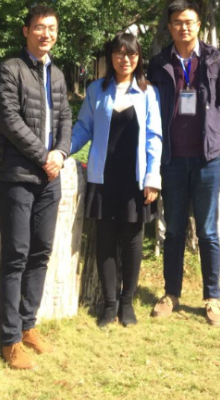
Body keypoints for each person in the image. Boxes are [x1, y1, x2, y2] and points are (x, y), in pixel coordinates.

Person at [0, 5, 72, 370]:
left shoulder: (57, 74)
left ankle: (28, 326)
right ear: (26, 31)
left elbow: (66, 116)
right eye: (39, 27)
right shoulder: (10, 69)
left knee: (40, 252)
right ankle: (9, 339)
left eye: (51, 28)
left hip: (49, 178)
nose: (46, 34)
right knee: (16, 255)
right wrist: (44, 156)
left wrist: (61, 153)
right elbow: (9, 120)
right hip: (18, 177)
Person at [147, 0, 220, 328]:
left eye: (189, 22)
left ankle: (212, 297)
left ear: (199, 25)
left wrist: (210, 131)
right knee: (174, 230)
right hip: (172, 159)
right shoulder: (159, 63)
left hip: (206, 160)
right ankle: (171, 294)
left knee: (208, 231)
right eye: (177, 22)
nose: (184, 27)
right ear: (170, 27)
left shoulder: (215, 59)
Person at [71, 31, 162, 327]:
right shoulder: (96, 90)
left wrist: (153, 177)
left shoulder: (148, 93)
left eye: (132, 54)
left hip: (135, 178)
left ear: (139, 58)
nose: (125, 59)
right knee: (106, 239)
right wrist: (61, 150)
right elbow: (83, 127)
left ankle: (127, 302)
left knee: (133, 240)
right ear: (111, 56)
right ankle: (109, 304)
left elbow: (154, 137)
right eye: (120, 53)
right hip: (103, 176)